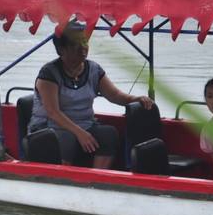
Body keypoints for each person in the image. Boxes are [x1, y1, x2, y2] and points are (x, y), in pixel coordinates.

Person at [28, 21, 153, 168]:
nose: (83, 49)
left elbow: (114, 95)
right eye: (75, 45)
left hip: (85, 124)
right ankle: (63, 179)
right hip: (49, 127)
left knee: (109, 134)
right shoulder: (49, 73)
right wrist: (80, 133)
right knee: (66, 139)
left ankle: (96, 178)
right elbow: (53, 112)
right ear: (62, 50)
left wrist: (136, 98)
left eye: (84, 43)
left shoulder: (93, 69)